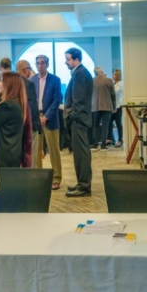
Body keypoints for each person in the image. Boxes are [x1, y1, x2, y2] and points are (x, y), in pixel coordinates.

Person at [63, 48, 94, 198]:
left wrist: (72, 116)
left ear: (76, 59)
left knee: (81, 154)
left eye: (68, 59)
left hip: (78, 120)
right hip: (80, 119)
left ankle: (84, 186)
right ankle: (82, 183)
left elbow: (79, 100)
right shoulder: (80, 72)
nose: (66, 62)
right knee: (81, 153)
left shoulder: (80, 73)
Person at [30, 54, 63, 190]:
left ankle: (56, 178)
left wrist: (46, 117)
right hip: (36, 118)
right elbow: (30, 100)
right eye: (38, 63)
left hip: (51, 118)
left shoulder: (55, 80)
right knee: (35, 150)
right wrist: (36, 117)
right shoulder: (32, 80)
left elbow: (57, 100)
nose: (40, 65)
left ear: (47, 64)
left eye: (42, 63)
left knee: (53, 150)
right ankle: (38, 176)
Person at [0, 72, 28, 167]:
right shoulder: (17, 104)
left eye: (1, 81)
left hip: (3, 155)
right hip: (13, 152)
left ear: (10, 85)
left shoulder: (6, 106)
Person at [15, 59, 41, 168]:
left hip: (15, 126)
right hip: (28, 126)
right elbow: (31, 106)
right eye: (30, 69)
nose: (30, 71)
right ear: (25, 70)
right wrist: (36, 125)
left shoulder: (10, 83)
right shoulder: (28, 84)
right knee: (30, 156)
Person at [91, 66, 116, 151]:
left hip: (95, 106)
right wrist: (114, 106)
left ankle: (95, 145)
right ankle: (103, 146)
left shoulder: (92, 81)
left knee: (95, 125)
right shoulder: (109, 80)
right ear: (102, 72)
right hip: (107, 106)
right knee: (105, 126)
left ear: (95, 73)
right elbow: (113, 95)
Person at [107, 68, 124, 148]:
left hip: (118, 106)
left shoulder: (121, 84)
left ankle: (120, 139)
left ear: (118, 76)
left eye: (114, 74)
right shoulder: (113, 84)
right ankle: (110, 138)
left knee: (118, 123)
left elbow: (115, 92)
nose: (113, 76)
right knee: (109, 122)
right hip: (112, 107)